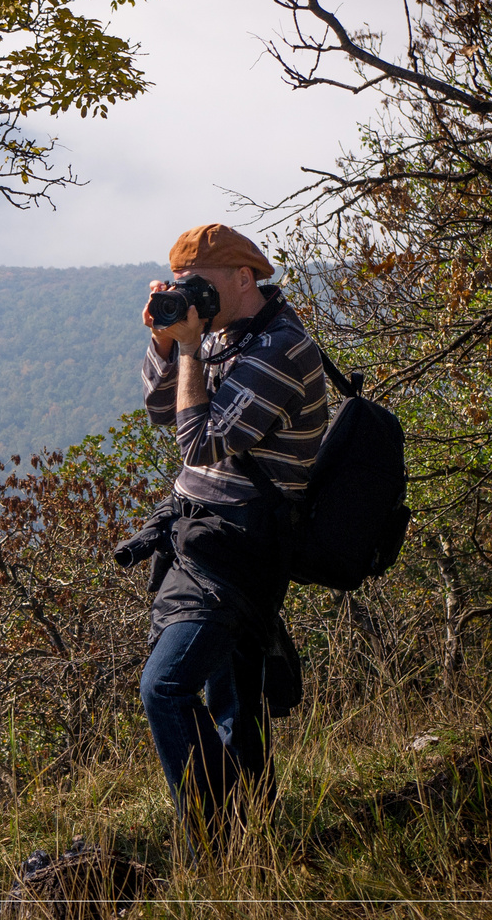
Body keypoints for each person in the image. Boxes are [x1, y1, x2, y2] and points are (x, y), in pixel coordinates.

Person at [135, 223, 326, 857]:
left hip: (242, 545)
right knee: (234, 707)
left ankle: (217, 842)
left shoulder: (282, 347)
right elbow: (165, 410)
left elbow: (202, 440)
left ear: (245, 278)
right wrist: (167, 345)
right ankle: (256, 852)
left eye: (203, 285)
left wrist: (189, 349)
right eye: (183, 286)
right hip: (206, 537)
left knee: (165, 687)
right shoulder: (224, 338)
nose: (193, 297)